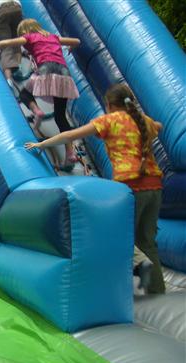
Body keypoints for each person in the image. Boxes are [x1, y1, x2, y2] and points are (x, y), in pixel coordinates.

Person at [24, 83, 165, 294]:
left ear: (109, 105)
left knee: (115, 232)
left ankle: (139, 263)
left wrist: (41, 144)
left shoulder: (109, 120)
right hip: (154, 185)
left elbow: (71, 135)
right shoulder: (142, 120)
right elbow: (159, 126)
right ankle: (158, 293)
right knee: (148, 242)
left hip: (131, 184)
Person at [0, 18, 81, 171]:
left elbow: (7, 43)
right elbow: (77, 41)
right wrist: (71, 47)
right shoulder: (53, 37)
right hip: (64, 74)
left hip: (46, 70)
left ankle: (36, 110)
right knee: (60, 116)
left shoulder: (29, 37)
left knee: (25, 94)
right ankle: (70, 152)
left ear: (25, 31)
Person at [0, 1, 46, 129]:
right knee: (16, 41)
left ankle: (9, 79)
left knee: (5, 46)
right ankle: (17, 65)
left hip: (0, 10)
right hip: (16, 8)